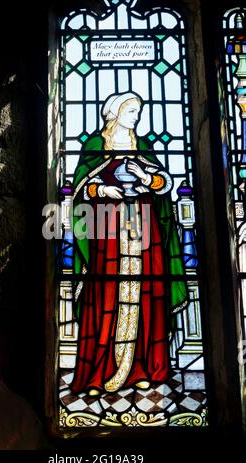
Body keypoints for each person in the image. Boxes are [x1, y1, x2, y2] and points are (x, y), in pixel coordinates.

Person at [71, 92, 188, 396]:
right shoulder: (95, 147)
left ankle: (143, 369)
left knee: (146, 294)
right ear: (114, 112)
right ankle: (99, 372)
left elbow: (164, 182)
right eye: (131, 110)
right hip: (107, 229)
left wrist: (147, 180)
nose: (136, 116)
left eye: (138, 111)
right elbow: (82, 189)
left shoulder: (143, 146)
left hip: (143, 226)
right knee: (105, 295)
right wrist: (102, 190)